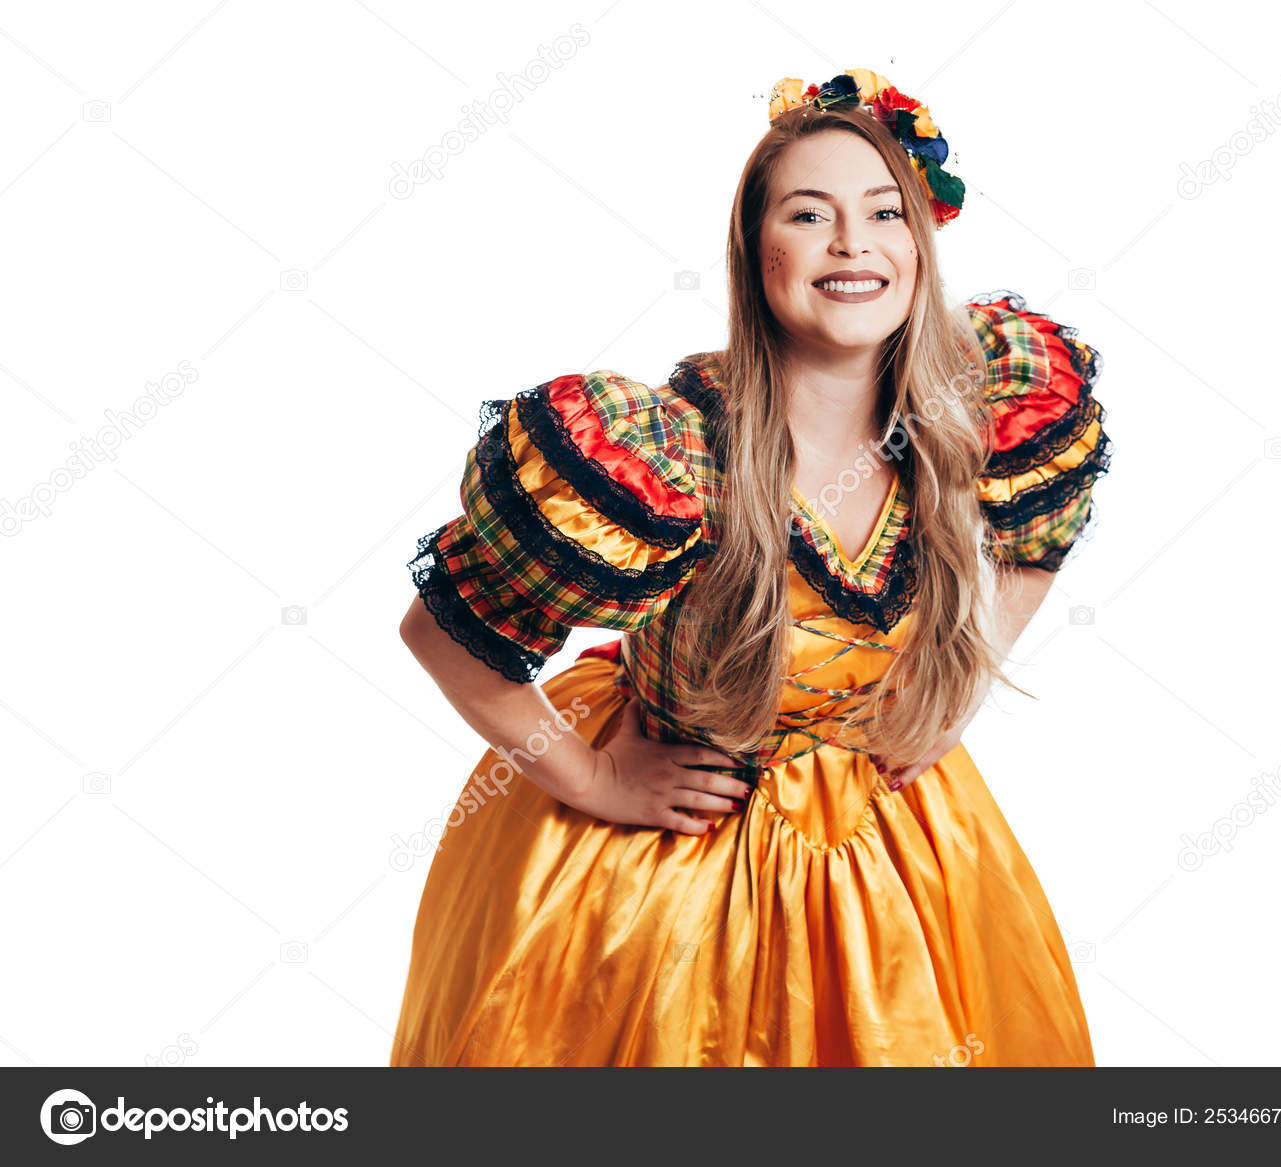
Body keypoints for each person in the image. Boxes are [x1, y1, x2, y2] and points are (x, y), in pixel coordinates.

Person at [389, 69, 1114, 1067]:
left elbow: (1040, 530)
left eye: (883, 212)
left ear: (919, 247)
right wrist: (595, 777)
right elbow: (445, 635)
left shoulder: (970, 416)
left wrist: (954, 686)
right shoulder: (667, 458)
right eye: (810, 214)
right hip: (670, 868)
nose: (852, 243)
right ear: (754, 253)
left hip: (890, 841)